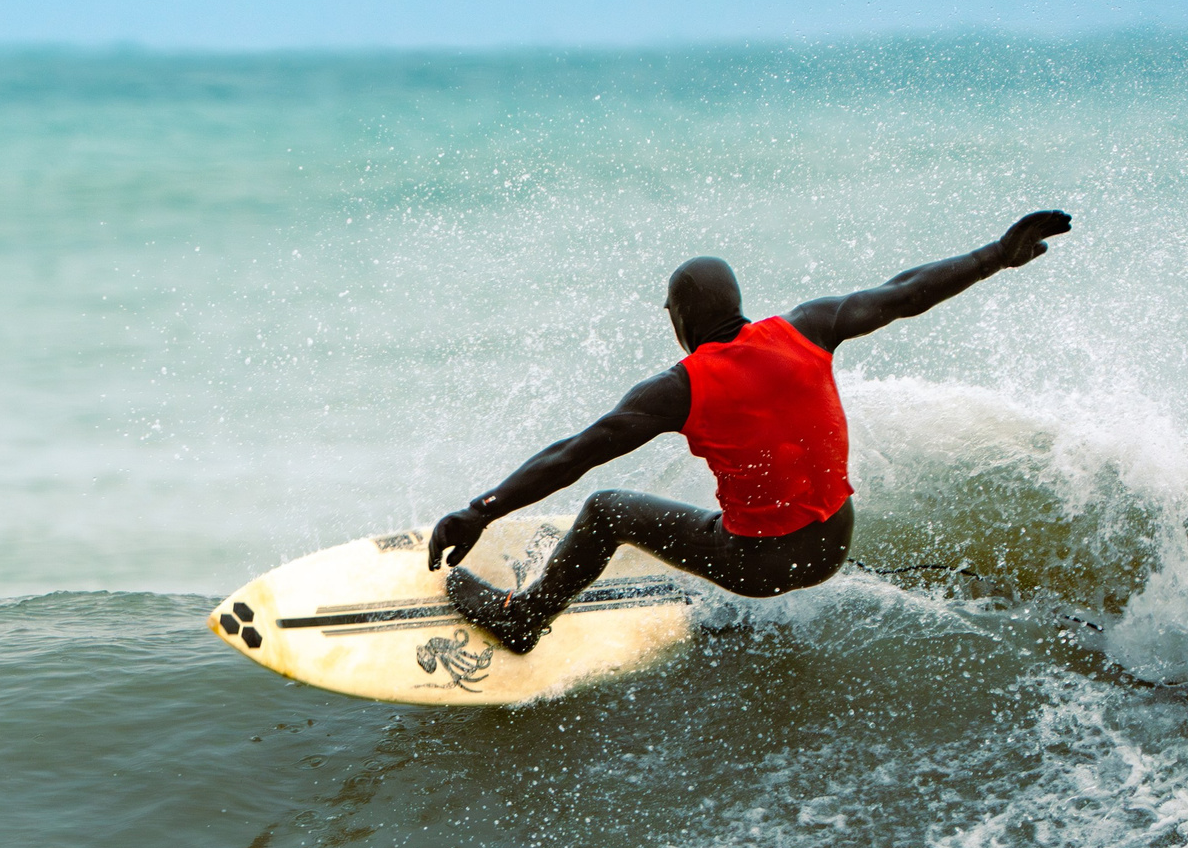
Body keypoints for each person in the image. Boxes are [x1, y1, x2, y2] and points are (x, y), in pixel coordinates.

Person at [426, 211, 1074, 654]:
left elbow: (575, 454)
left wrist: (480, 511)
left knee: (605, 511)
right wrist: (996, 255)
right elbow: (904, 292)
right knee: (752, 494)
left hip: (757, 566)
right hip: (834, 543)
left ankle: (523, 619)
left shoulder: (678, 388)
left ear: (679, 320)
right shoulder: (809, 327)